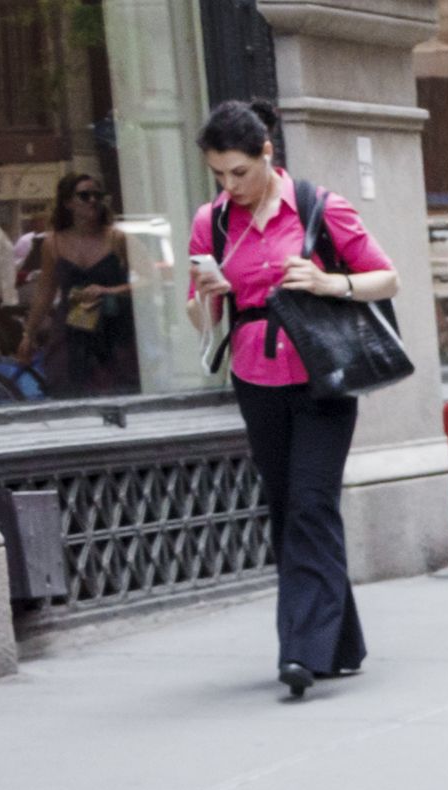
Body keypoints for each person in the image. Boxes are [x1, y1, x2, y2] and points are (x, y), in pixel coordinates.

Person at [188, 101, 396, 698]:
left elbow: (388, 277)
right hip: (254, 378)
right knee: (288, 508)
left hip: (322, 375)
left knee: (311, 502)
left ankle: (302, 651)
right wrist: (209, 293)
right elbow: (199, 316)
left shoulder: (319, 207)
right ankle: (341, 640)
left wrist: (331, 282)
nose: (230, 187)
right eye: (219, 175)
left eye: (239, 173)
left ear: (267, 155)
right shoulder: (213, 222)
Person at [24, 173, 140, 399]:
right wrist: (28, 334)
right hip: (71, 330)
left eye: (97, 195)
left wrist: (110, 291)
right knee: (68, 389)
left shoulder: (117, 239)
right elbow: (45, 292)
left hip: (113, 329)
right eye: (84, 196)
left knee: (118, 389)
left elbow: (150, 280)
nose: (92, 201)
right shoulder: (53, 243)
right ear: (68, 203)